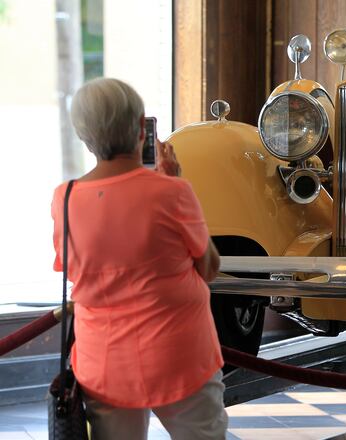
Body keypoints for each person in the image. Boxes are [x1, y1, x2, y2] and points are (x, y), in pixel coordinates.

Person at [51, 77, 227, 439]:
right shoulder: (172, 191)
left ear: (85, 137)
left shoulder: (64, 199)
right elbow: (208, 267)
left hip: (104, 361)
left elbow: (76, 270)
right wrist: (174, 180)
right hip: (180, 355)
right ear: (141, 130)